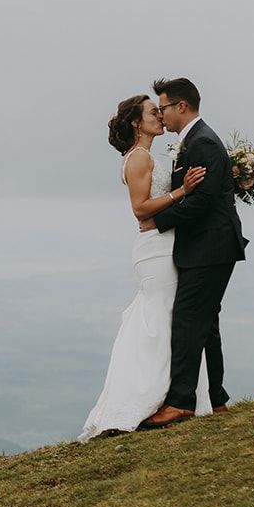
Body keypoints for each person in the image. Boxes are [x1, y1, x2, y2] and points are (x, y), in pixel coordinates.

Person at [79, 94, 208, 442]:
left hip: (167, 244)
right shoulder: (138, 158)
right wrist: (183, 191)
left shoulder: (150, 156)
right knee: (159, 317)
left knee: (167, 316)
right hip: (155, 249)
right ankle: (144, 400)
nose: (160, 117)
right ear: (137, 122)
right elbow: (140, 209)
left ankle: (172, 397)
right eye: (153, 112)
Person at [138, 76, 248, 430]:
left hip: (210, 247)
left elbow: (201, 202)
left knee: (187, 320)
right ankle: (216, 400)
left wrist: (159, 221)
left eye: (163, 108)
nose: (161, 114)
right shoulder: (195, 142)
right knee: (206, 325)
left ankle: (181, 402)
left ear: (180, 106)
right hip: (209, 247)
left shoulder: (203, 144)